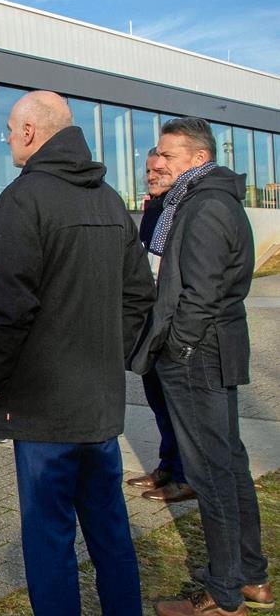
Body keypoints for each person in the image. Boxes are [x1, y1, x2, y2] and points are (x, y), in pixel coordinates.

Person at [0, 90, 154, 615]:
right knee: (110, 532)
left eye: (10, 128)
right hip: (98, 406)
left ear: (31, 132)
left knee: (50, 539)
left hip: (43, 410)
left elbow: (8, 310)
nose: (7, 138)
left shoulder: (21, 199)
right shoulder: (108, 198)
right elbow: (139, 294)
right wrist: (103, 355)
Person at [137, 118, 272, 616]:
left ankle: (224, 593)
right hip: (208, 352)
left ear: (197, 159)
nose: (157, 160)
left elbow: (202, 292)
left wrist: (177, 347)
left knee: (213, 473)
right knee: (228, 465)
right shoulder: (196, 200)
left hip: (199, 357)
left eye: (167, 154)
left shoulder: (207, 204)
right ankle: (251, 579)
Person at [127, 149, 194, 503]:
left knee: (175, 402)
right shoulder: (154, 209)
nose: (152, 175)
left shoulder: (181, 208)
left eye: (158, 169)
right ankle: (167, 466)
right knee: (156, 398)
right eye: (148, 170)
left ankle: (186, 476)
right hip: (150, 318)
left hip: (173, 321)